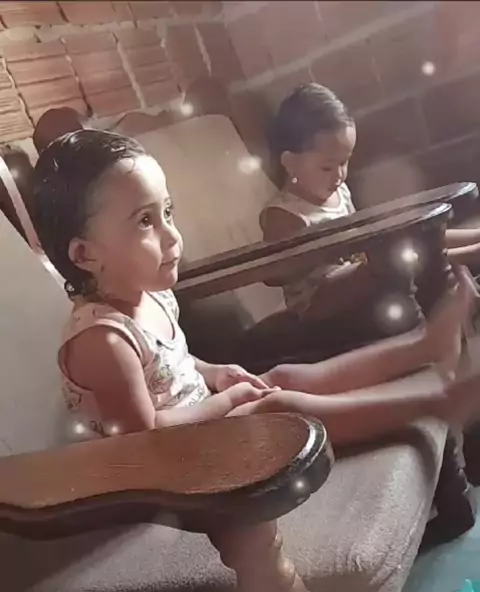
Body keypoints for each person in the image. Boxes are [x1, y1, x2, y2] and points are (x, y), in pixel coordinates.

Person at [31, 129, 480, 449]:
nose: (172, 236)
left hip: (197, 426)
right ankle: (436, 403)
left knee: (283, 377)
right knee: (274, 405)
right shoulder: (102, 342)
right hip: (163, 470)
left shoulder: (148, 295)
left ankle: (423, 346)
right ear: (85, 254)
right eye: (145, 221)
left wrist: (215, 373)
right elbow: (142, 439)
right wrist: (227, 400)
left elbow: (171, 368)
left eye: (167, 212)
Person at [260, 83, 480, 320]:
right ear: (291, 163)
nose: (339, 175)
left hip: (361, 270)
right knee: (388, 259)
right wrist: (324, 252)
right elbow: (275, 273)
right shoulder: (283, 214)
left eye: (344, 162)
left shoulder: (339, 191)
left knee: (408, 236)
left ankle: (475, 238)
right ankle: (469, 254)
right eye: (327, 167)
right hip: (319, 299)